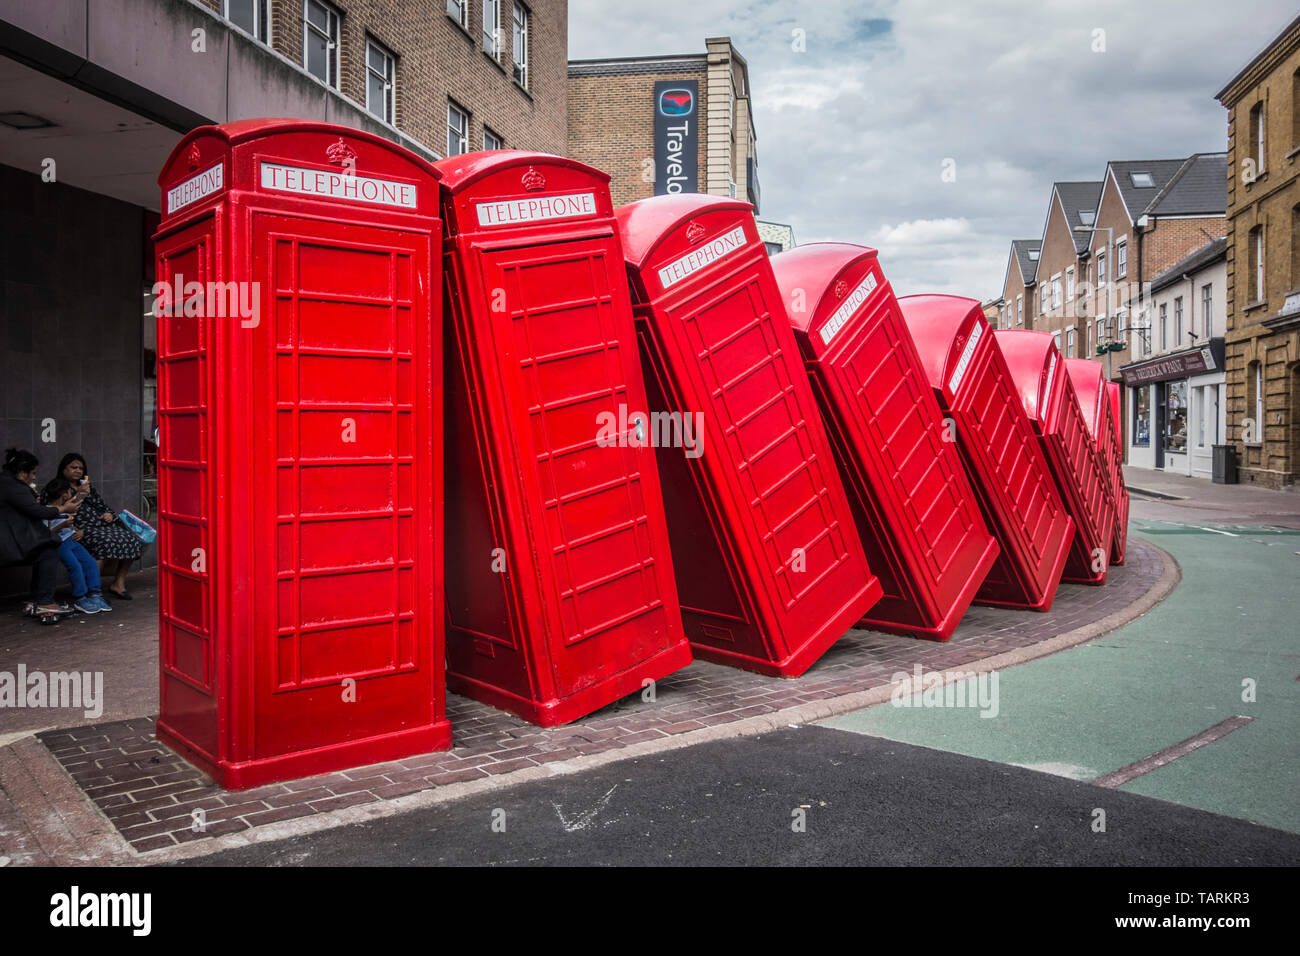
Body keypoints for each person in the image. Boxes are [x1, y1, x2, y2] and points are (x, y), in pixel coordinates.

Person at [1, 448, 81, 625]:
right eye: (33, 473)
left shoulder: (8, 483)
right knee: (48, 550)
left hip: (10, 537)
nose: (34, 477)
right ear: (22, 472)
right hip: (8, 542)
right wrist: (63, 509)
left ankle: (36, 601)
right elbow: (38, 512)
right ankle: (44, 603)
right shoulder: (13, 486)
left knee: (46, 549)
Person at [56, 453, 146, 600]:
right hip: (79, 529)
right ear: (63, 469)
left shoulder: (87, 487)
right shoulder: (59, 487)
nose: (78, 471)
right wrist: (80, 494)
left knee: (132, 538)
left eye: (80, 468)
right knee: (102, 542)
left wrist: (108, 514)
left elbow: (102, 505)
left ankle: (118, 583)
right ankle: (94, 591)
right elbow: (58, 510)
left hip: (101, 525)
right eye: (73, 467)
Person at [41, 477, 112, 615]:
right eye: (69, 491)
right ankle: (80, 597)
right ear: (64, 494)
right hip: (60, 544)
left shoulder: (68, 505)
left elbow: (78, 502)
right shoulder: (47, 511)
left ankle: (95, 594)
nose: (71, 493)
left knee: (90, 562)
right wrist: (62, 524)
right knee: (75, 566)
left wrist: (76, 530)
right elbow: (46, 532)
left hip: (71, 540)